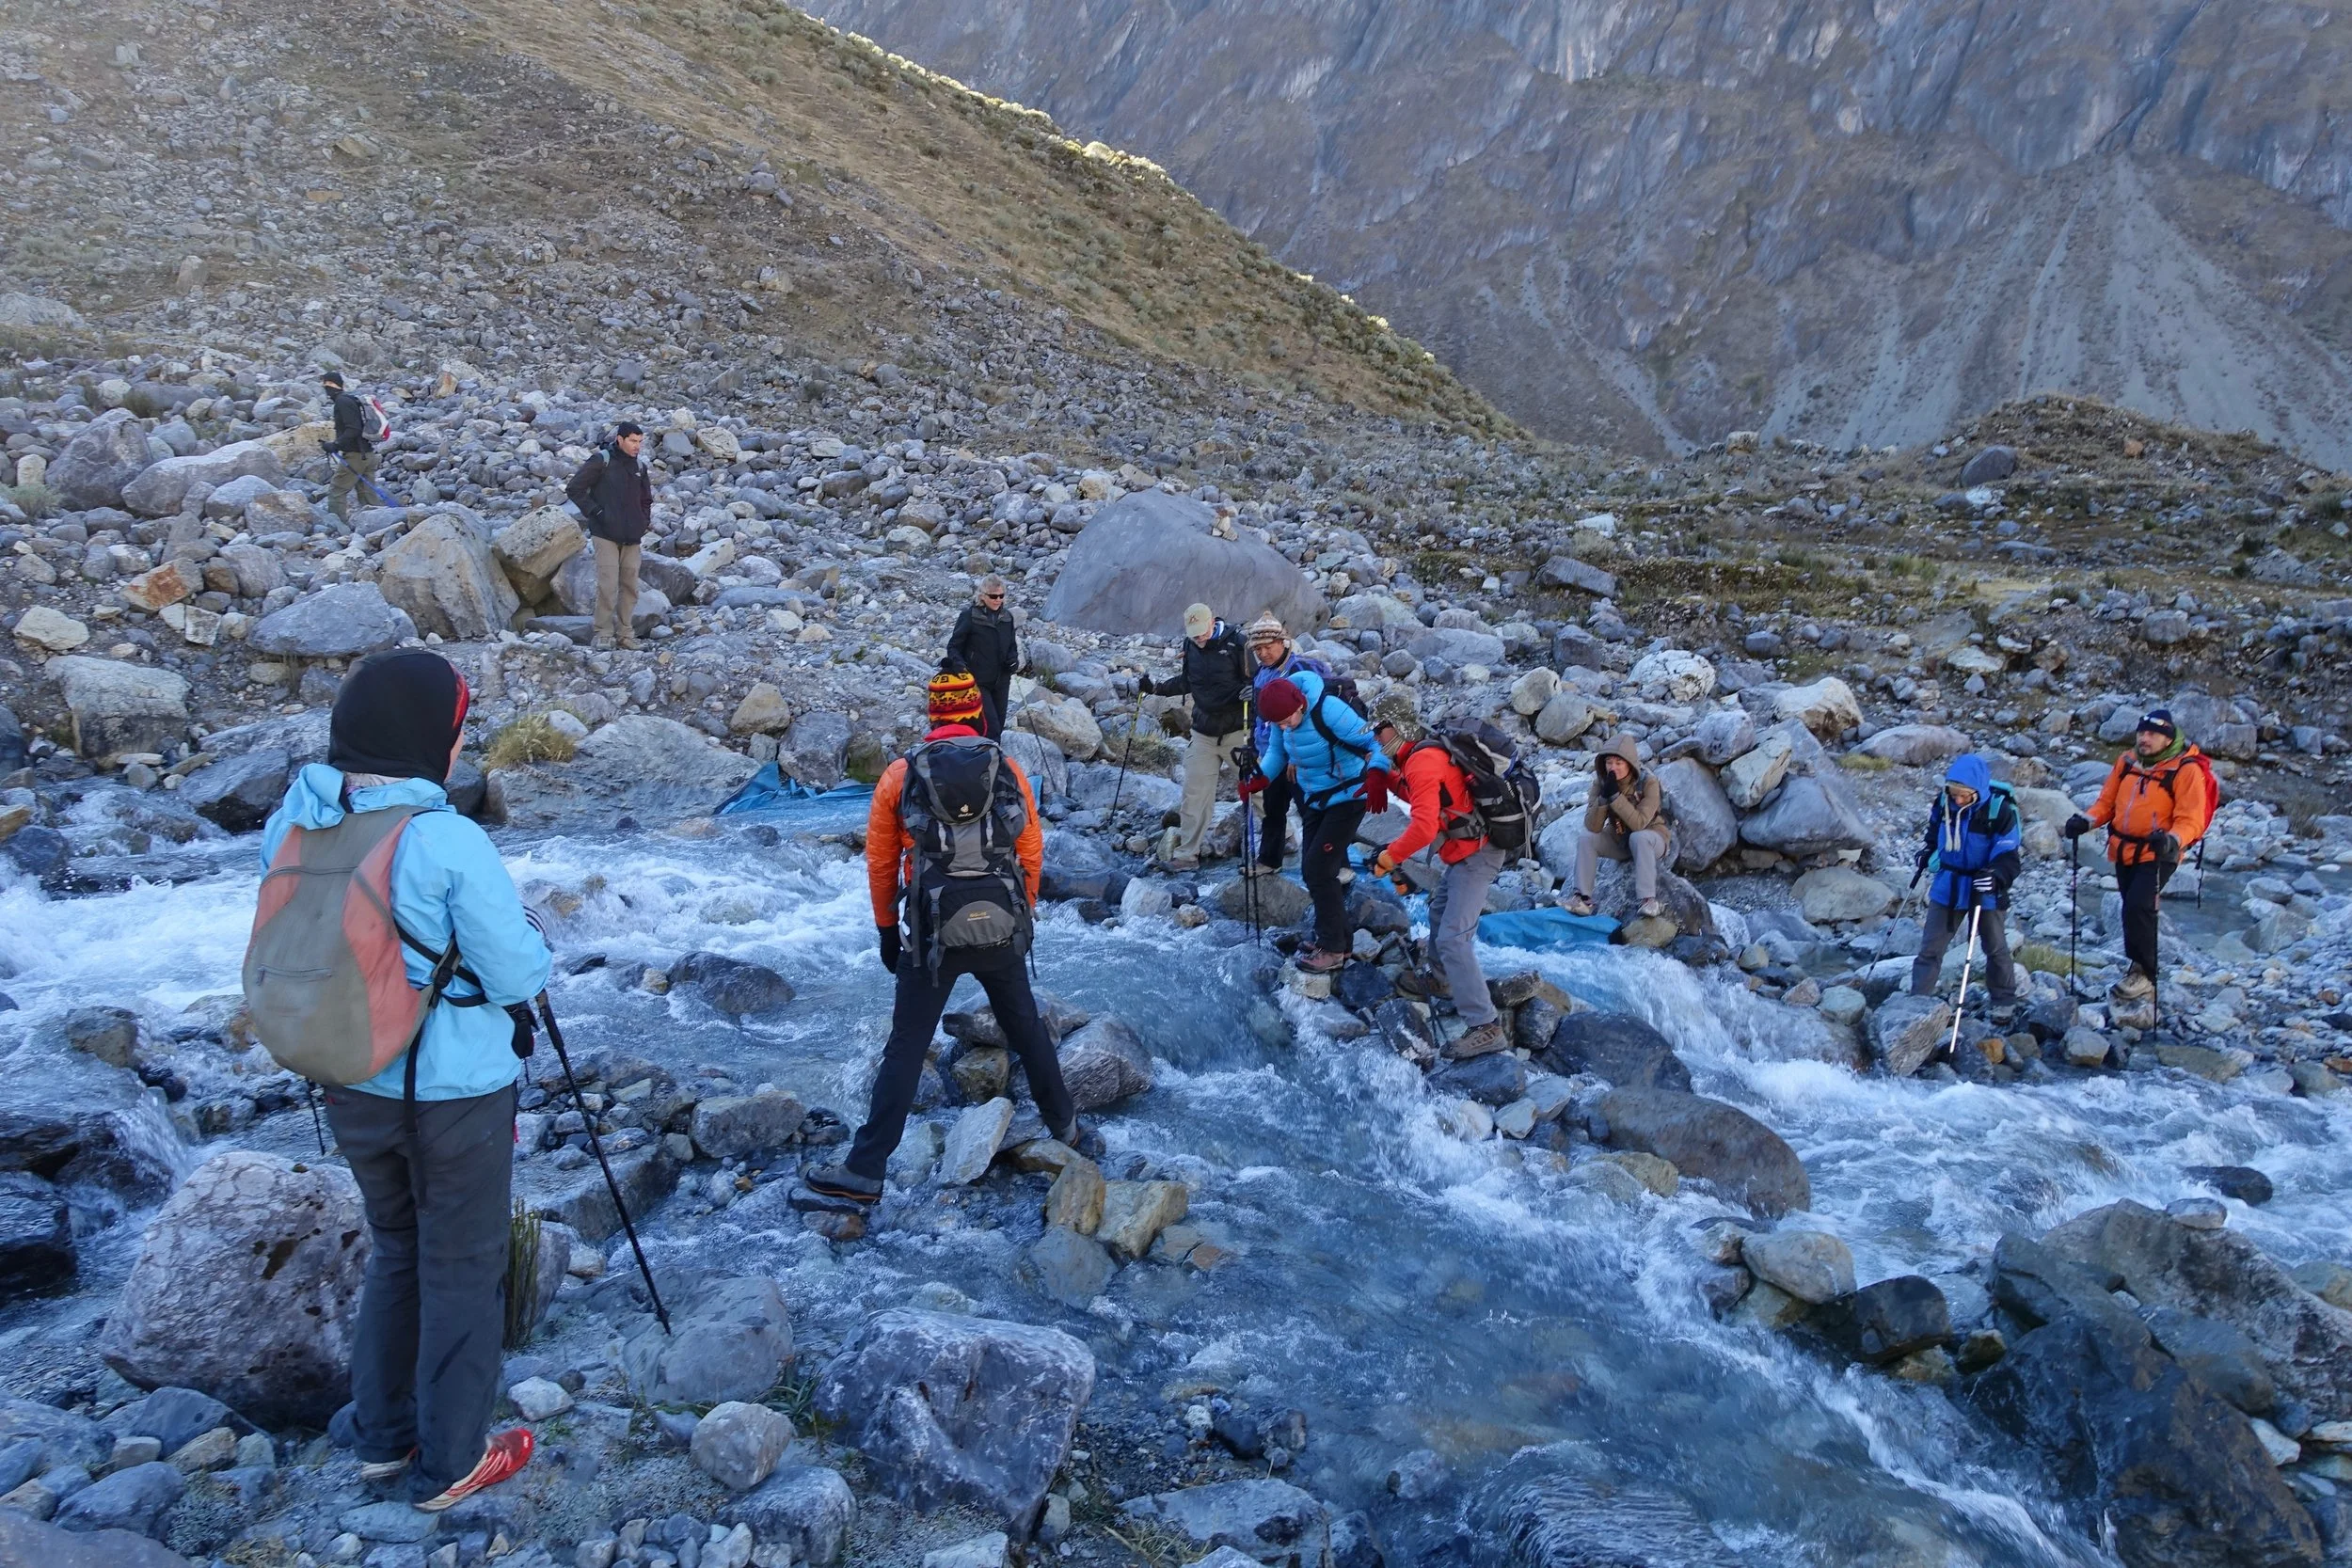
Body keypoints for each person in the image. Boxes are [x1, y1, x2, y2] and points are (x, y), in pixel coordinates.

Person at [257, 651, 550, 1512]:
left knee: (397, 1246)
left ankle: (383, 1435)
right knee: (464, 1262)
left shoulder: (295, 824)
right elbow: (517, 972)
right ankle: (451, 1459)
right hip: (450, 1090)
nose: (459, 747)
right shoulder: (443, 838)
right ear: (429, 737)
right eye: (455, 730)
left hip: (346, 1073)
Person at [806, 670, 1088, 1204]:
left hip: (932, 933)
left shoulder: (899, 774)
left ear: (933, 716)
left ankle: (866, 1171)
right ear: (976, 714)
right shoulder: (1005, 767)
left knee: (907, 1045)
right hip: (1000, 923)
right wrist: (1020, 916)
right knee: (1025, 1027)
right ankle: (1068, 1130)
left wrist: (888, 931)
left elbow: (882, 862)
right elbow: (1030, 847)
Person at [1371, 720, 1508, 1056]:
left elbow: (1423, 827)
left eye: (1380, 731)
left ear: (1400, 727)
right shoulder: (1419, 755)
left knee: (1452, 938)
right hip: (1463, 851)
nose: (1375, 738)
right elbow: (1422, 795)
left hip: (1478, 854)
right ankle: (1443, 980)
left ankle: (1486, 1026)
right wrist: (1383, 778)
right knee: (1437, 910)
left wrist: (1390, 856)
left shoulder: (1421, 759)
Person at [2066, 709, 2214, 1010]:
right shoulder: (2127, 761)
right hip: (2123, 849)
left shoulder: (2185, 770)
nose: (2145, 739)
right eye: (2142, 732)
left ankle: (2145, 974)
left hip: (2160, 852)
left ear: (2168, 738)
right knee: (2130, 908)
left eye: (2153, 734)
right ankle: (2136, 968)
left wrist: (2172, 840)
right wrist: (2086, 821)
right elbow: (2106, 803)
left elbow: (2192, 820)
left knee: (2139, 906)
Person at [1243, 672, 1389, 973]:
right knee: (1314, 871)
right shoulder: (1283, 717)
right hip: (1316, 800)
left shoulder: (1331, 710)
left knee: (1318, 869)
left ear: (1300, 705)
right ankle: (1340, 941)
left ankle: (1332, 949)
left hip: (1350, 796)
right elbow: (1276, 753)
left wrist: (1376, 773)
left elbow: (1376, 742)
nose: (1284, 727)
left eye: (1286, 721)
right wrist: (1258, 779)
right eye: (1278, 724)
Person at [1909, 753, 2023, 1018]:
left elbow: (2009, 855)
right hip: (1948, 883)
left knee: (1994, 946)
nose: (1957, 800)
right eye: (1953, 793)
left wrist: (1996, 876)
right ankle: (1916, 1002)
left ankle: (2004, 1001)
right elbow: (1934, 834)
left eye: (1964, 795)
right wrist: (1927, 851)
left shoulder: (1999, 811)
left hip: (1985, 887)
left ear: (1978, 791)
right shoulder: (1943, 803)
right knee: (1930, 947)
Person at [1144, 603, 1252, 872]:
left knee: (1259, 789)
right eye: (1193, 634)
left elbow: (1261, 681)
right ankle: (1186, 855)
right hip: (1203, 732)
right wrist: (1156, 688)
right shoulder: (1191, 646)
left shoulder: (1239, 644)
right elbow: (1188, 682)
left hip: (1238, 731)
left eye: (1201, 632)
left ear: (1213, 622)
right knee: (1194, 795)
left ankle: (1283, 837)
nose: (1199, 639)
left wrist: (1254, 693)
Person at [1243, 615, 1333, 878]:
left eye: (1268, 646)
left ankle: (1331, 865)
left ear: (1283, 642)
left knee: (1312, 812)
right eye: (1258, 649)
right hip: (1271, 753)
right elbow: (1261, 718)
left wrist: (1295, 756)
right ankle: (1270, 861)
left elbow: (1312, 717)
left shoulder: (1300, 671)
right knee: (1272, 810)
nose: (1263, 653)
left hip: (1299, 758)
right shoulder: (1262, 673)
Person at [564, 422, 653, 650]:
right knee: (608, 585)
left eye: (640, 442)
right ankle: (603, 633)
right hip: (605, 534)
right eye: (633, 441)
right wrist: (597, 513)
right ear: (620, 439)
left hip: (632, 536)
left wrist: (643, 521)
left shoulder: (639, 467)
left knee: (631, 586)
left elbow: (646, 499)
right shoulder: (601, 461)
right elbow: (574, 488)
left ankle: (625, 634)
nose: (637, 447)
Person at [1565, 736, 1672, 920]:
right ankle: (1583, 899)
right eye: (1609, 762)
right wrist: (1603, 799)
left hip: (1653, 838)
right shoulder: (1601, 782)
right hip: (1620, 838)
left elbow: (1640, 823)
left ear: (1629, 764)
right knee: (1586, 838)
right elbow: (1593, 826)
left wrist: (1615, 797)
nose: (1612, 768)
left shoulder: (1648, 782)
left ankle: (1648, 900)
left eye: (1618, 763)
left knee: (1638, 838)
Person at [945, 575, 1020, 737]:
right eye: (993, 596)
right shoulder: (969, 616)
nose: (998, 600)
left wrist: (1013, 660)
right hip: (977, 681)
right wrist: (960, 666)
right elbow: (953, 646)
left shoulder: (1007, 618)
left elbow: (1012, 646)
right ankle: (988, 760)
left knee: (998, 726)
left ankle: (992, 759)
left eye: (1001, 596)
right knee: (991, 727)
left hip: (1002, 681)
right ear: (982, 596)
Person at [320, 371, 380, 524]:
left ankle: (337, 526)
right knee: (367, 494)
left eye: (325, 384)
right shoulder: (350, 399)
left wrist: (335, 445)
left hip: (355, 456)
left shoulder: (342, 402)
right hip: (367, 454)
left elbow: (353, 429)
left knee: (337, 490)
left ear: (330, 384)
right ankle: (380, 522)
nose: (324, 388)